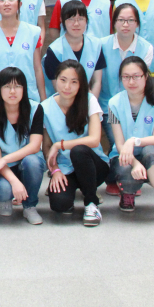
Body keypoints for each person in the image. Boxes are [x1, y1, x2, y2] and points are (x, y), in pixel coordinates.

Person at [106, 57, 154, 225]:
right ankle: (128, 193)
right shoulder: (114, 103)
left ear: (146, 76)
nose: (131, 81)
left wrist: (133, 141)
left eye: (136, 76)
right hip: (126, 155)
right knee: (125, 166)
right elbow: (119, 144)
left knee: (150, 152)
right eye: (126, 77)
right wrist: (135, 163)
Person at [42, 60, 109, 226]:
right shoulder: (45, 107)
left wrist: (60, 145)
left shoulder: (89, 100)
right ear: (56, 79)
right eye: (63, 80)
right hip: (66, 167)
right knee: (59, 204)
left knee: (78, 150)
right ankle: (76, 190)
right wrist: (55, 170)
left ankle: (91, 203)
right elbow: (47, 146)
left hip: (93, 165)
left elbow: (94, 139)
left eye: (74, 82)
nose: (67, 87)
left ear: (81, 84)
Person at [99, 3, 154, 192]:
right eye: (121, 20)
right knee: (117, 143)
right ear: (114, 22)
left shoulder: (146, 48)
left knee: (133, 142)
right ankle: (118, 177)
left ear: (137, 23)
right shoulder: (101, 45)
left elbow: (141, 83)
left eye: (131, 20)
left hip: (135, 107)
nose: (125, 24)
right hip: (107, 106)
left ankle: (129, 176)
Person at [0, 67, 45, 224]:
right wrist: (14, 181)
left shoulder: (35, 109)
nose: (12, 91)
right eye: (7, 86)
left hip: (25, 163)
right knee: (4, 190)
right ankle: (6, 198)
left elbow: (34, 146)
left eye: (17, 86)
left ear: (24, 88)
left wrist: (5, 159)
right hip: (3, 168)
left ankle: (29, 206)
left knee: (32, 161)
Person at [0, 0, 44, 103]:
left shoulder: (33, 32)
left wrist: (43, 99)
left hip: (29, 95)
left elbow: (37, 68)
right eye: (2, 0)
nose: (6, 3)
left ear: (20, 4)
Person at [42, 0, 105, 99]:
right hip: (60, 100)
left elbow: (97, 81)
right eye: (71, 19)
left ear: (86, 20)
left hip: (88, 100)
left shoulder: (96, 45)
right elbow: (57, 87)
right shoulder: (54, 50)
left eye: (81, 19)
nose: (76, 24)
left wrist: (91, 103)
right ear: (62, 20)